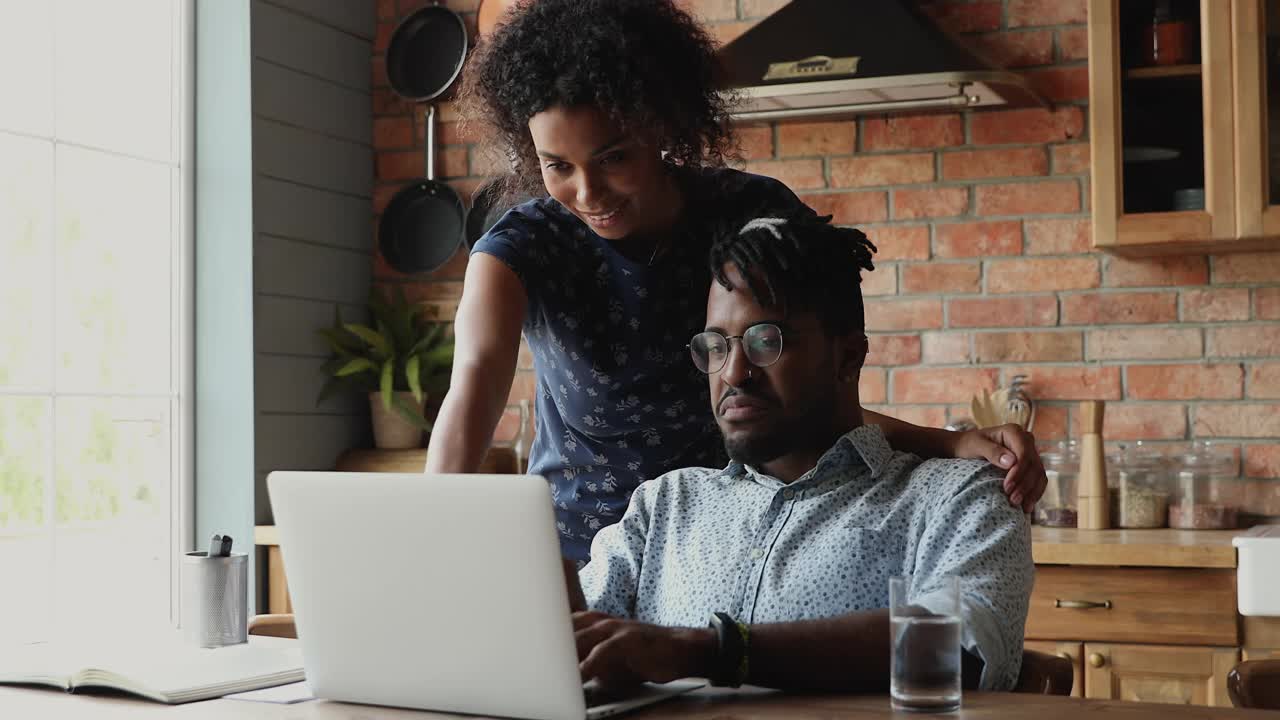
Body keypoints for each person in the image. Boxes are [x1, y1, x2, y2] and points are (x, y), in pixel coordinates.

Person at [431, 0, 1044, 564]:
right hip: (575, 566)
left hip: (732, 552)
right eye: (558, 167)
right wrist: (423, 533)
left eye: (614, 157)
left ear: (661, 125)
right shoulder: (523, 245)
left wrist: (948, 443)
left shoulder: (748, 213)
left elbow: (812, 396)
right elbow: (475, 385)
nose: (588, 194)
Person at [569, 213, 1034, 692]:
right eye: (717, 346)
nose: (732, 373)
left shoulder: (957, 497)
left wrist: (711, 650)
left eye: (766, 341)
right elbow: (561, 644)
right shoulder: (664, 506)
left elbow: (959, 650)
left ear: (848, 357)